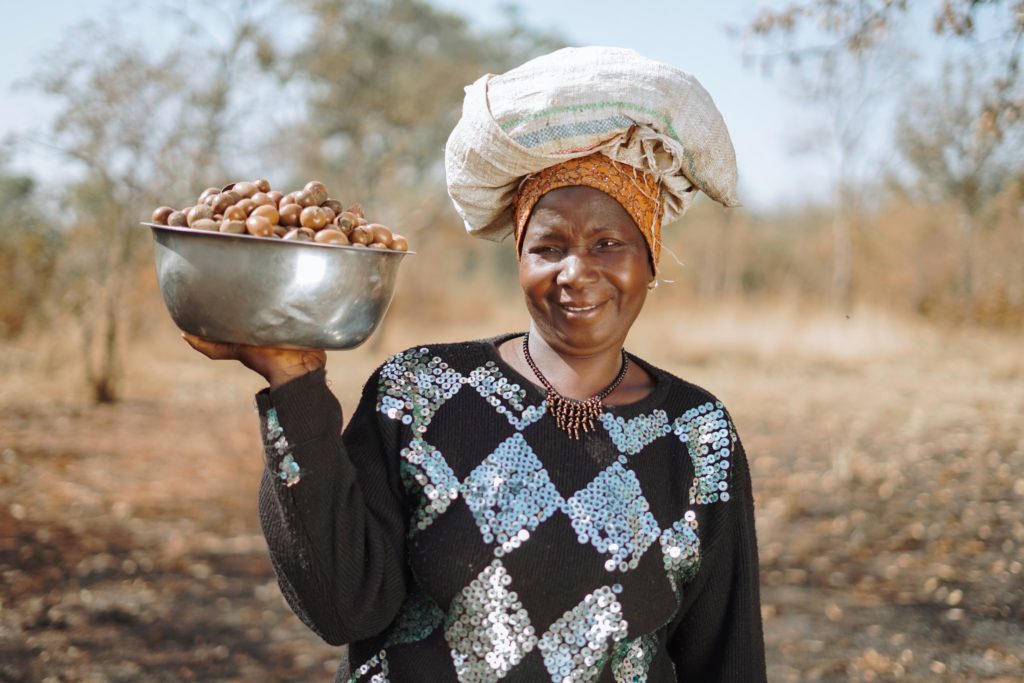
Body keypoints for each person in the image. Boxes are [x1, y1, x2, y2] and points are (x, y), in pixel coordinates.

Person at [186, 46, 766, 682]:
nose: (576, 272)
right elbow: (343, 608)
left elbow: (726, 656)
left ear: (648, 260)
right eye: (548, 247)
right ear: (519, 260)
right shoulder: (422, 392)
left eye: (609, 243)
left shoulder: (697, 434)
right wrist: (292, 380)